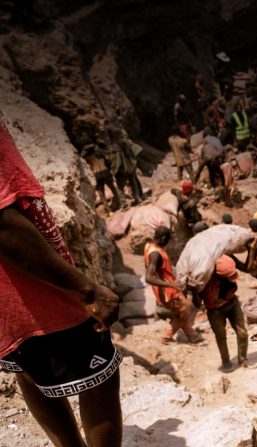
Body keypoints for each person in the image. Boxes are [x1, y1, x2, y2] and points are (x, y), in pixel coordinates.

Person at [0, 126, 122, 447]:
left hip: (9, 296)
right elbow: (3, 225)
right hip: (30, 288)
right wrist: (87, 290)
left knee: (29, 370)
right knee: (100, 378)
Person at [190, 255, 248, 372]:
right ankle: (226, 362)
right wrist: (194, 291)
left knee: (243, 333)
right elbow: (197, 304)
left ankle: (243, 360)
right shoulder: (204, 281)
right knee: (221, 337)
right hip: (215, 310)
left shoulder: (228, 268)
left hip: (232, 302)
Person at [144, 226, 199, 344]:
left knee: (182, 311)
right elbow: (148, 277)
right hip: (168, 291)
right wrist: (171, 285)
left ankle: (193, 336)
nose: (168, 243)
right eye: (168, 240)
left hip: (167, 288)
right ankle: (166, 336)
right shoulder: (155, 254)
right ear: (163, 238)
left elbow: (161, 271)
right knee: (186, 309)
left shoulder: (148, 245)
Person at [82, 143, 122, 212]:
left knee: (101, 193)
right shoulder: (101, 154)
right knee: (113, 188)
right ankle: (119, 203)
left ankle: (107, 210)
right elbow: (108, 162)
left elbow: (82, 157)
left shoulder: (87, 158)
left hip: (97, 175)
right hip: (106, 172)